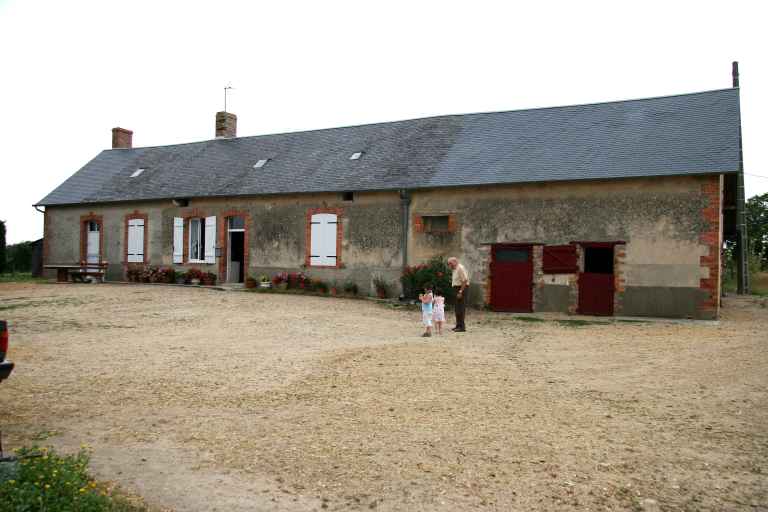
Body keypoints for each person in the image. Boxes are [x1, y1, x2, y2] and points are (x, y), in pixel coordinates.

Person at [447, 257, 469, 332]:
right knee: (457, 308)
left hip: (461, 289)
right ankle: (458, 325)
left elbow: (465, 280)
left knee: (461, 308)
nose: (449, 265)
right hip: (456, 288)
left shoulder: (460, 268)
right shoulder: (455, 269)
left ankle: (462, 327)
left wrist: (460, 292)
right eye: (448, 264)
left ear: (455, 262)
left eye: (450, 263)